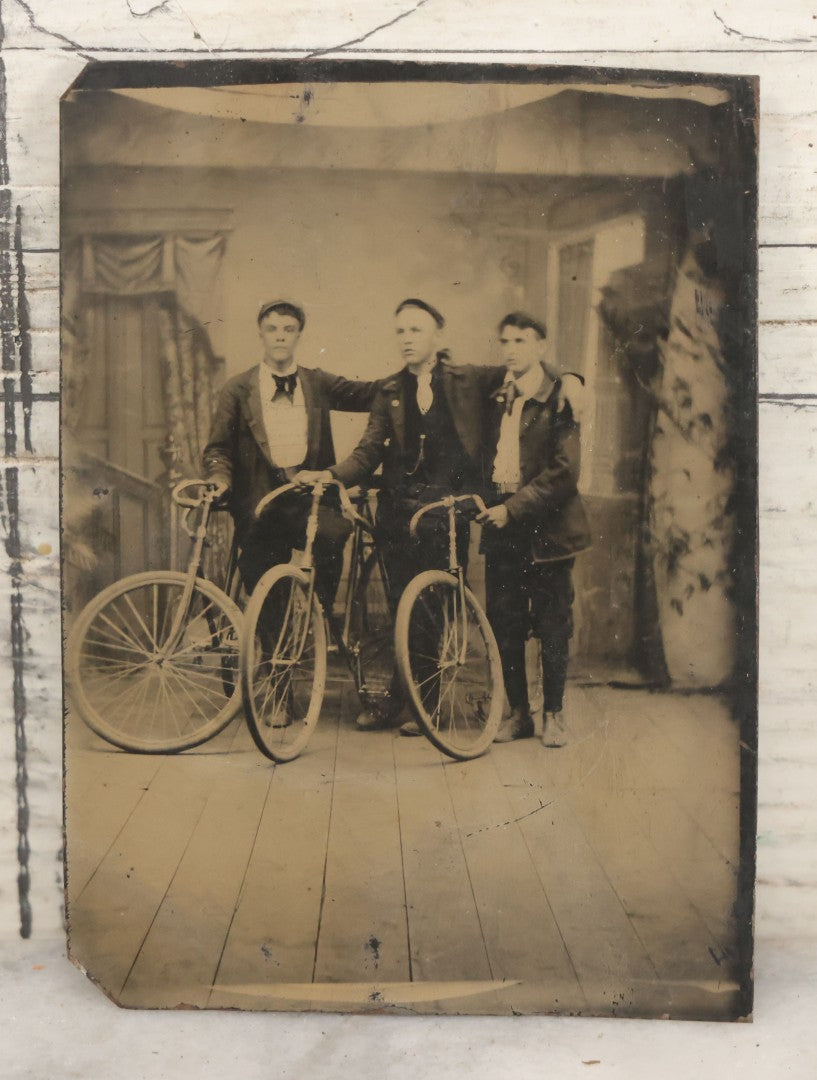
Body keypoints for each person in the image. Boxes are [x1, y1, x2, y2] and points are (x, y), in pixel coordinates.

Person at [298, 298, 505, 734]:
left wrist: (575, 381)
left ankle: (425, 705)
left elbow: (526, 373)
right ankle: (399, 701)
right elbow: (369, 449)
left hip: (444, 512)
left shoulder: (468, 380)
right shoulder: (390, 390)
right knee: (399, 609)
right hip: (397, 513)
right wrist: (332, 474)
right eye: (401, 331)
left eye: (416, 330)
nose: (407, 339)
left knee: (432, 608)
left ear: (438, 336)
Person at [202, 299, 377, 611]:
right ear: (261, 335)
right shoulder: (238, 389)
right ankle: (273, 649)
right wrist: (219, 477)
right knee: (262, 575)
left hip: (310, 501)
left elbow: (369, 394)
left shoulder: (317, 382)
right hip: (261, 503)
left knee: (332, 534)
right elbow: (218, 448)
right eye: (272, 329)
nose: (280, 336)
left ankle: (321, 617)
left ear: (299, 335)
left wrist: (410, 378)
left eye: (288, 329)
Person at [477, 311, 591, 748]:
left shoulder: (560, 396)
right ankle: (519, 713)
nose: (511, 350)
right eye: (505, 341)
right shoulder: (496, 395)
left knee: (553, 623)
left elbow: (566, 472)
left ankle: (555, 714)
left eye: (521, 341)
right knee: (504, 622)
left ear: (542, 346)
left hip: (549, 531)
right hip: (504, 529)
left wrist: (513, 508)